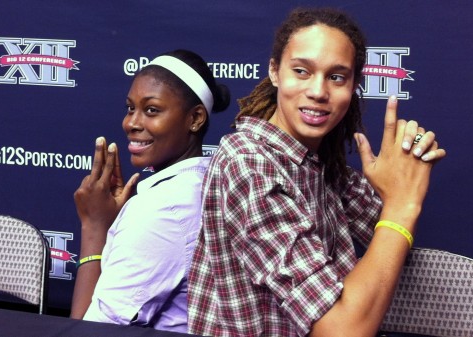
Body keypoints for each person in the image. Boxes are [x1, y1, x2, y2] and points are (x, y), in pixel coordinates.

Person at [187, 7, 446, 337]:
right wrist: (402, 203)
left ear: (353, 86)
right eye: (302, 71)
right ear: (275, 71)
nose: (319, 91)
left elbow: (391, 243)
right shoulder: (251, 165)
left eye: (337, 77)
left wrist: (400, 178)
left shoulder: (320, 165)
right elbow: (344, 331)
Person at [69, 49, 230, 333]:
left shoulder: (160, 211)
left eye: (151, 110)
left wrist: (95, 228)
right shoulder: (206, 180)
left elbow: (90, 332)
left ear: (195, 118)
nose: (131, 123)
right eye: (130, 108)